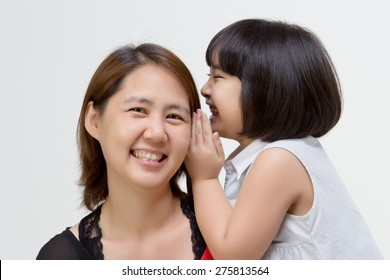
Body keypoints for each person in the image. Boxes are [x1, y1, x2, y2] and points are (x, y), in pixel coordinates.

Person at [185, 19, 383, 259]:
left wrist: (204, 178)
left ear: (263, 88)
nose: (205, 89)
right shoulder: (283, 154)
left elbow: (233, 257)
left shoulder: (279, 160)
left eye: (218, 77)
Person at [37, 43, 208, 259]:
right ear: (95, 120)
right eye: (138, 110)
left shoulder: (233, 236)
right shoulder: (60, 259)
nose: (156, 133)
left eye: (174, 116)